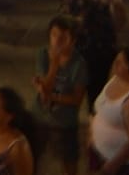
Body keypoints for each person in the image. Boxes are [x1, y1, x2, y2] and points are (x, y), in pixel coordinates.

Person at [32, 15, 89, 175]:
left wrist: (50, 96)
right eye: (54, 35)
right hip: (40, 116)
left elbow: (76, 99)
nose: (57, 41)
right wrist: (54, 66)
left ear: (73, 40)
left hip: (64, 122)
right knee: (33, 156)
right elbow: (45, 88)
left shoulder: (79, 65)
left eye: (63, 37)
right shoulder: (43, 54)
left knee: (69, 161)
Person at [90, 49, 129, 175]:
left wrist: (111, 167)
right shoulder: (116, 78)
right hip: (102, 152)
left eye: (120, 63)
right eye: (116, 60)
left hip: (123, 164)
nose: (115, 64)